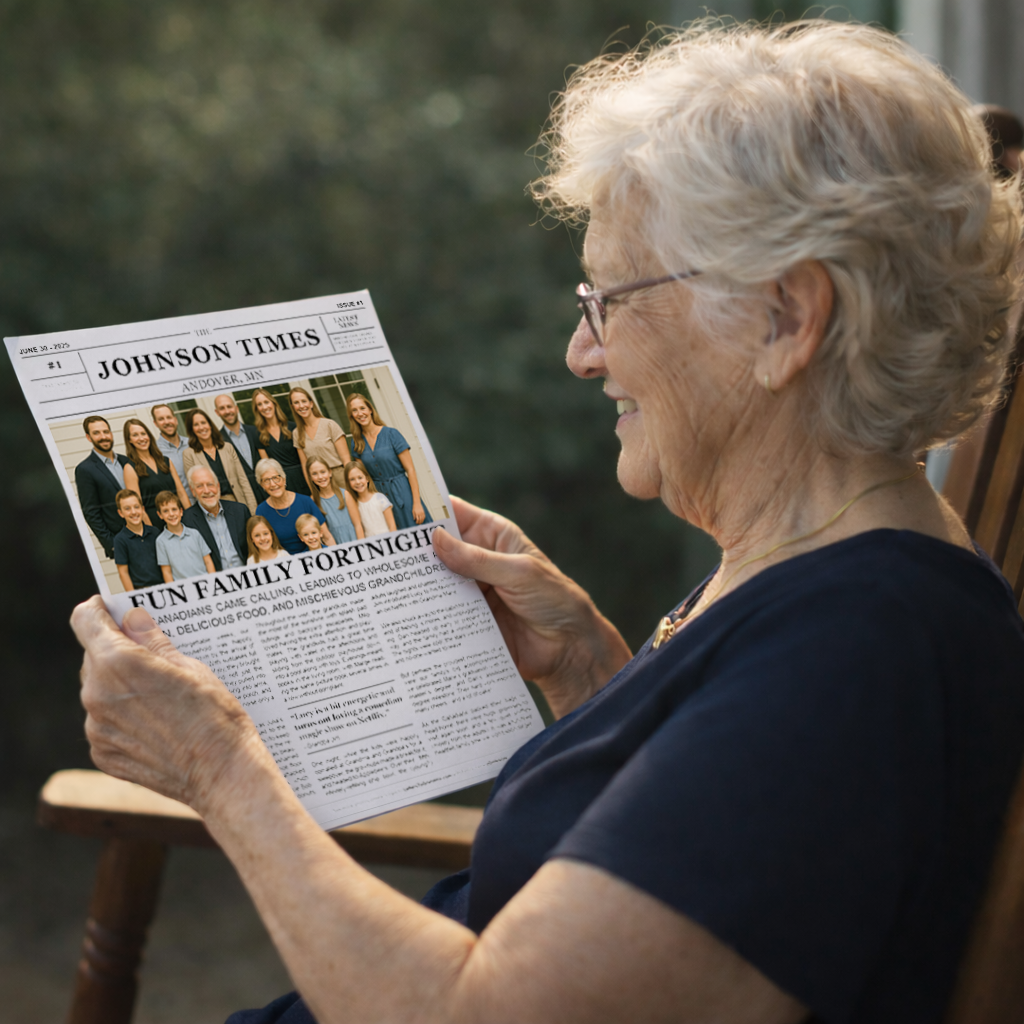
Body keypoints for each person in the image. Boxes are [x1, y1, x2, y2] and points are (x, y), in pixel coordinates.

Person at [71, 21, 1024, 1024]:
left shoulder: (856, 651)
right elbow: (725, 831)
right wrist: (588, 671)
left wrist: (221, 767)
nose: (581, 352)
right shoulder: (834, 570)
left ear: (784, 317)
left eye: (606, 299)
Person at [346, 394, 430, 529]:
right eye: (354, 411)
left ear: (370, 410)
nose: (360, 413)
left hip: (403, 492)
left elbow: (410, 470)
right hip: (379, 497)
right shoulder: (356, 442)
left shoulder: (392, 434)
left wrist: (416, 503)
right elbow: (363, 477)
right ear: (351, 416)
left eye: (362, 408)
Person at [74, 415, 130, 559]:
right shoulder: (85, 469)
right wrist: (112, 544)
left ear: (111, 433)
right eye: (96, 433)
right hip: (121, 543)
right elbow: (91, 512)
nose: (103, 436)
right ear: (88, 437)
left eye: (106, 431)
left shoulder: (126, 461)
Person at [182, 409, 258, 514]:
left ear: (210, 424)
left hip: (238, 502)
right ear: (191, 429)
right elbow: (195, 488)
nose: (201, 427)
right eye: (196, 424)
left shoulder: (227, 447)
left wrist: (253, 509)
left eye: (203, 423)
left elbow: (243, 480)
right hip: (213, 508)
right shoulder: (189, 454)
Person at [254, 458, 335, 554]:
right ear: (262, 485)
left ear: (284, 479)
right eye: (266, 480)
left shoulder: (305, 501)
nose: (272, 484)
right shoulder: (261, 511)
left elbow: (326, 536)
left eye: (276, 478)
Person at [121, 418, 190, 525]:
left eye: (143, 433)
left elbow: (181, 493)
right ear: (129, 440)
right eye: (135, 435)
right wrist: (151, 531)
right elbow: (137, 506)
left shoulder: (166, 461)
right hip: (156, 523)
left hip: (179, 518)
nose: (141, 438)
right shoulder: (130, 468)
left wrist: (192, 518)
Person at [182, 465, 250, 572]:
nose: (207, 490)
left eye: (210, 484)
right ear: (193, 491)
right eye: (199, 486)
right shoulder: (187, 521)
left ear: (218, 486)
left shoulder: (240, 511)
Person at [289, 386, 352, 494]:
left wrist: (352, 483)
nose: (301, 406)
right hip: (319, 483)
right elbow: (305, 467)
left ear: (311, 403)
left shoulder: (329, 425)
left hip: (340, 477)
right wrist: (313, 491)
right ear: (293, 407)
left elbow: (347, 461)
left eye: (304, 401)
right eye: (296, 402)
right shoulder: (296, 433)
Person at [251, 388, 310, 496]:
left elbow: (304, 461)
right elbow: (267, 467)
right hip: (280, 484)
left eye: (266, 402)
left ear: (273, 403)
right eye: (259, 404)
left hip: (303, 479)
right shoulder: (258, 435)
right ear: (257, 409)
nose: (264, 407)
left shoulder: (293, 427)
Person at [213, 393, 266, 503]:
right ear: (217, 413)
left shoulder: (256, 431)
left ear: (236, 408)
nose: (227, 411)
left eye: (229, 406)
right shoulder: (217, 441)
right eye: (222, 408)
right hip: (245, 500)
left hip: (269, 492)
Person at [153, 490, 214, 582]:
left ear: (181, 511)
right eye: (166, 511)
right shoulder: (161, 541)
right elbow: (167, 572)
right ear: (160, 515)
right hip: (183, 590)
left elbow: (208, 561)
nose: (171, 514)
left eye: (174, 509)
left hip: (206, 583)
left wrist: (214, 581)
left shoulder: (195, 534)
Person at [111, 489, 162, 591]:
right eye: (127, 509)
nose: (133, 512)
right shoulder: (120, 540)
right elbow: (123, 572)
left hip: (163, 585)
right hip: (141, 590)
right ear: (121, 513)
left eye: (136, 507)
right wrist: (133, 597)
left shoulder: (154, 532)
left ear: (142, 509)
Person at [307, 458, 361, 543]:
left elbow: (358, 525)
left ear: (330, 472)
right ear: (310, 478)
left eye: (323, 472)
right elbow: (324, 534)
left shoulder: (345, 494)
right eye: (314, 474)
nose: (320, 477)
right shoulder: (313, 500)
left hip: (354, 539)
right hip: (334, 543)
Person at [151, 404, 193, 501]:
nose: (166, 422)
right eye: (161, 419)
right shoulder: (155, 452)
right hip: (179, 509)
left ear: (175, 420)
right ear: (156, 423)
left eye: (169, 417)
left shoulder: (192, 444)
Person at [344, 459, 395, 537]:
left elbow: (392, 526)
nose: (357, 482)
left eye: (360, 477)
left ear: (367, 478)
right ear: (348, 483)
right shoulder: (355, 505)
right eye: (352, 479)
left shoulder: (380, 498)